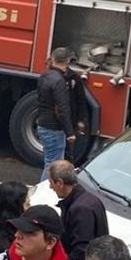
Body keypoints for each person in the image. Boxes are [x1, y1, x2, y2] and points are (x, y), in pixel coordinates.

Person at [48, 160, 108, 260]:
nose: (50, 187)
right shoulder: (87, 200)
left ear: (60, 183)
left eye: (51, 182)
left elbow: (81, 250)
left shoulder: (80, 209)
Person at [36, 47, 77, 181]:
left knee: (49, 162)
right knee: (53, 166)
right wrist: (70, 132)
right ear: (67, 61)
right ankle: (42, 196)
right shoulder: (60, 81)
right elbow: (62, 109)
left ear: (53, 59)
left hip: (43, 124)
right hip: (54, 129)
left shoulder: (44, 75)